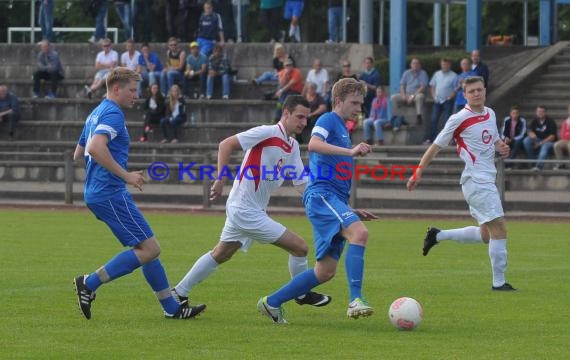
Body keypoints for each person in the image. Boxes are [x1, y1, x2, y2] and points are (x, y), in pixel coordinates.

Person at [172, 95, 332, 312]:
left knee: (222, 253)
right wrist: (220, 178)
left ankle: (178, 293)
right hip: (245, 210)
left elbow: (302, 183)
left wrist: (327, 205)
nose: (304, 122)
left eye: (306, 118)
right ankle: (301, 293)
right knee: (300, 248)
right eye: (299, 117)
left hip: (250, 209)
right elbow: (225, 144)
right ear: (286, 114)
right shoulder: (267, 132)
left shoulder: (292, 145)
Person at [72, 67, 206, 320]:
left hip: (99, 191)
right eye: (132, 90)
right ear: (116, 89)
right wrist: (124, 175)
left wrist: (105, 169)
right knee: (150, 249)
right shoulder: (112, 113)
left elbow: (79, 152)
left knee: (145, 246)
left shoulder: (96, 112)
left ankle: (172, 309)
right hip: (110, 193)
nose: (136, 95)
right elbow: (95, 147)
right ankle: (88, 283)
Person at [257, 78, 379, 324]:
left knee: (325, 272)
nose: (359, 107)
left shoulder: (342, 128)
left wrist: (348, 209)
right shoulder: (328, 120)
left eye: (361, 103)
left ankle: (271, 302)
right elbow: (313, 144)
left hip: (331, 200)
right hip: (322, 195)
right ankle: (356, 300)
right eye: (354, 102)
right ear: (338, 101)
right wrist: (351, 151)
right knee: (360, 234)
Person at [406, 76, 516, 292]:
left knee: (486, 235)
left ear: (485, 91)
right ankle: (499, 283)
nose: (476, 93)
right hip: (476, 181)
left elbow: (493, 140)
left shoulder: (490, 113)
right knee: (500, 228)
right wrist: (417, 172)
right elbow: (435, 147)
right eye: (471, 91)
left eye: (479, 90)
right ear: (464, 95)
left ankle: (438, 235)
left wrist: (501, 147)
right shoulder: (459, 118)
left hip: (486, 180)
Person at [425, 58, 457, 144]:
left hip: (448, 101)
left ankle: (446, 140)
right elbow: (432, 86)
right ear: (441, 64)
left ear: (449, 65)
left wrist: (451, 97)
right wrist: (433, 96)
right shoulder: (437, 74)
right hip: (437, 100)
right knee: (433, 120)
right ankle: (433, 139)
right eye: (443, 64)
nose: (445, 66)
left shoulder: (454, 75)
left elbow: (456, 89)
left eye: (446, 64)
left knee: (447, 121)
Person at [390, 58, 429, 125]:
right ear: (411, 65)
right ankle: (397, 117)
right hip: (407, 94)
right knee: (393, 97)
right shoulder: (406, 73)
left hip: (417, 94)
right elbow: (402, 85)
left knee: (420, 97)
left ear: (420, 65)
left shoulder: (423, 73)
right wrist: (403, 95)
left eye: (417, 63)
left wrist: (412, 96)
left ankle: (419, 117)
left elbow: (423, 87)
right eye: (413, 63)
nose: (415, 65)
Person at [522, 105, 557, 171]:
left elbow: (552, 137)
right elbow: (529, 131)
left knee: (544, 146)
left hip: (549, 142)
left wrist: (540, 143)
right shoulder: (534, 121)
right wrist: (531, 134)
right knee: (526, 141)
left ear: (545, 112)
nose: (540, 113)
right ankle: (532, 162)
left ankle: (539, 166)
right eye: (538, 111)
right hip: (538, 140)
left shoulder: (550, 122)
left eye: (541, 111)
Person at [553, 105, 570, 170]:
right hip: (566, 140)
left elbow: (566, 133)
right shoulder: (566, 121)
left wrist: (567, 134)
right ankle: (561, 164)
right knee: (556, 145)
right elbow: (562, 134)